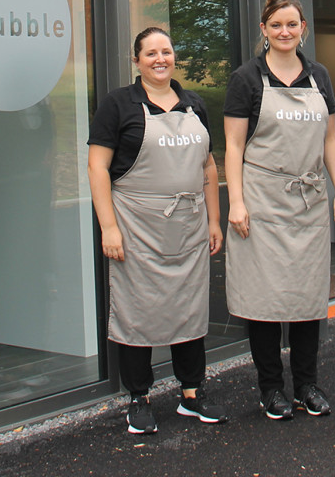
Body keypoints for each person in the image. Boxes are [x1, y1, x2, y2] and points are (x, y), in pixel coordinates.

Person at [87, 27, 226, 435]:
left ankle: (191, 393)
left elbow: (208, 166)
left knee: (190, 307)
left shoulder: (194, 104)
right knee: (138, 311)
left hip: (188, 225)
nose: (159, 59)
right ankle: (139, 397)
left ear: (174, 57)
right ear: (137, 61)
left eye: (166, 51)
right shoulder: (118, 105)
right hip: (137, 226)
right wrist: (108, 227)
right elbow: (97, 168)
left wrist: (214, 220)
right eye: (150, 53)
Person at [223, 0, 335, 420]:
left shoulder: (319, 76)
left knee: (307, 296)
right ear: (263, 30)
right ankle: (270, 388)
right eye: (276, 25)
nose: (284, 32)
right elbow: (233, 146)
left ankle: (308, 385)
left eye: (292, 24)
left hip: (309, 200)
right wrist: (236, 202)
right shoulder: (246, 79)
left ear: (303, 30)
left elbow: (331, 140)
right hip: (261, 200)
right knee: (264, 299)